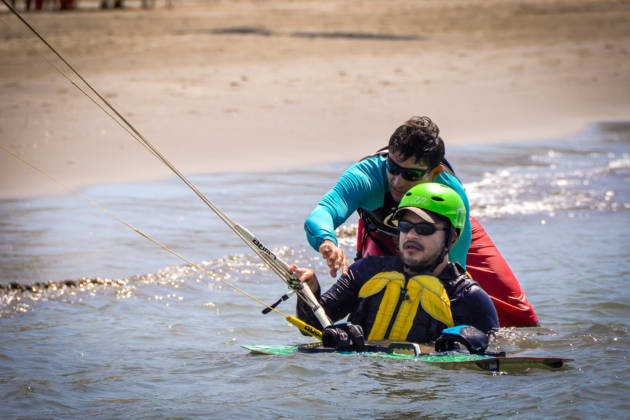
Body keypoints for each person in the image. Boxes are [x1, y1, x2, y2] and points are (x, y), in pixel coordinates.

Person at [304, 116, 538, 327]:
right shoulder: (366, 177)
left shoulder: (451, 191)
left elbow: (454, 271)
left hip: (440, 233)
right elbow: (321, 214)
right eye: (393, 168)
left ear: (434, 173)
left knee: (520, 316)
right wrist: (327, 241)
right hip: (381, 232)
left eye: (411, 175)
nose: (396, 182)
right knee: (373, 307)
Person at [291, 183, 499, 345]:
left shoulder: (468, 297)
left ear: (452, 238)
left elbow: (491, 360)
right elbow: (311, 326)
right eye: (405, 226)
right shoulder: (365, 272)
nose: (411, 235)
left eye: (424, 229)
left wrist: (451, 347)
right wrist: (309, 292)